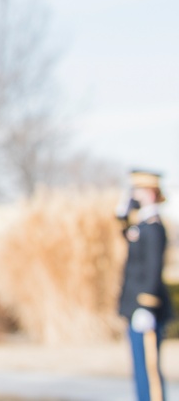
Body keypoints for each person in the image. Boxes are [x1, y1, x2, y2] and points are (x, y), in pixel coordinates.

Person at [117, 170, 172, 401]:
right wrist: (122, 214)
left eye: (138, 190)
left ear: (149, 192)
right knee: (140, 371)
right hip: (135, 307)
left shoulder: (154, 227)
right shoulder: (142, 226)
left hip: (145, 308)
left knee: (149, 371)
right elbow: (127, 232)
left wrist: (147, 306)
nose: (134, 195)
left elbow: (152, 269)